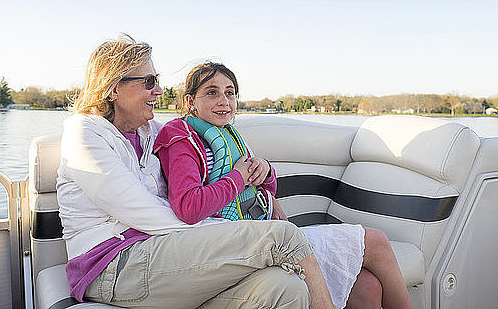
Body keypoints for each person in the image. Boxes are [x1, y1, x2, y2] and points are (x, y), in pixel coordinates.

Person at [56, 35, 336, 309]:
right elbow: (140, 211)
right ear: (114, 87)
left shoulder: (152, 133)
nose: (159, 91)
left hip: (168, 262)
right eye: (149, 82)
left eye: (158, 81)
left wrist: (261, 171)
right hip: (114, 266)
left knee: (286, 288)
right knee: (283, 236)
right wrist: (239, 232)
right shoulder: (84, 134)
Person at [154, 62, 414, 309]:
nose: (224, 101)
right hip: (238, 246)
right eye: (212, 93)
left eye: (230, 93)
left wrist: (265, 170)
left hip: (268, 233)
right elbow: (188, 207)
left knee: (368, 287)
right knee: (376, 241)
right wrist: (238, 177)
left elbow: (261, 188)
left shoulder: (229, 135)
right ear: (190, 102)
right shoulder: (180, 137)